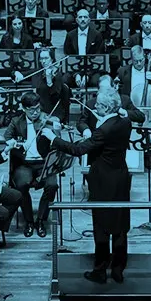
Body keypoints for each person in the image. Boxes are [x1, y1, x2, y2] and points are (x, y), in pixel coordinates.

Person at [51, 80, 139, 283]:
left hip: (103, 180)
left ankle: (100, 271)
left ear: (106, 107)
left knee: (101, 224)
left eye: (98, 105)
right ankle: (118, 268)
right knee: (120, 223)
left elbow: (79, 149)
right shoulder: (124, 122)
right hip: (121, 176)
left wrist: (54, 139)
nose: (94, 107)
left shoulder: (104, 130)